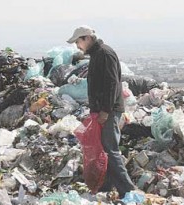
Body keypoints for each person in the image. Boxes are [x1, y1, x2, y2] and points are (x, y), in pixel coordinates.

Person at [67, 25, 136, 198]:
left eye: (78, 42)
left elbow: (112, 83)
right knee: (104, 150)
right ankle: (106, 187)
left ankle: (128, 190)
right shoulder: (97, 54)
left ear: (87, 38)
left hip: (109, 111)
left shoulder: (104, 54)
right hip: (103, 111)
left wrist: (105, 110)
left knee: (110, 150)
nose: (77, 46)